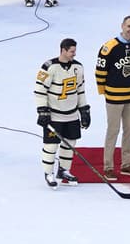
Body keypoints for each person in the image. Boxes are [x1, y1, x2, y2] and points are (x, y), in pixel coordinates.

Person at [35, 38, 90, 188]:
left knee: (70, 144)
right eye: (72, 51)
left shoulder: (78, 67)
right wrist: (42, 111)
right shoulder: (49, 67)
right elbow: (40, 90)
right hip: (54, 115)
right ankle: (48, 173)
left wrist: (84, 110)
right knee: (51, 145)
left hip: (71, 115)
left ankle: (63, 170)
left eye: (75, 51)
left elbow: (80, 90)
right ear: (63, 50)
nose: (74, 54)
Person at [96, 16, 130, 180]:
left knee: (129, 130)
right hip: (114, 96)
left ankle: (126, 165)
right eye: (129, 26)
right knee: (113, 131)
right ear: (122, 26)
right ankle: (108, 166)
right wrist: (104, 92)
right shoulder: (109, 47)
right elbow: (100, 71)